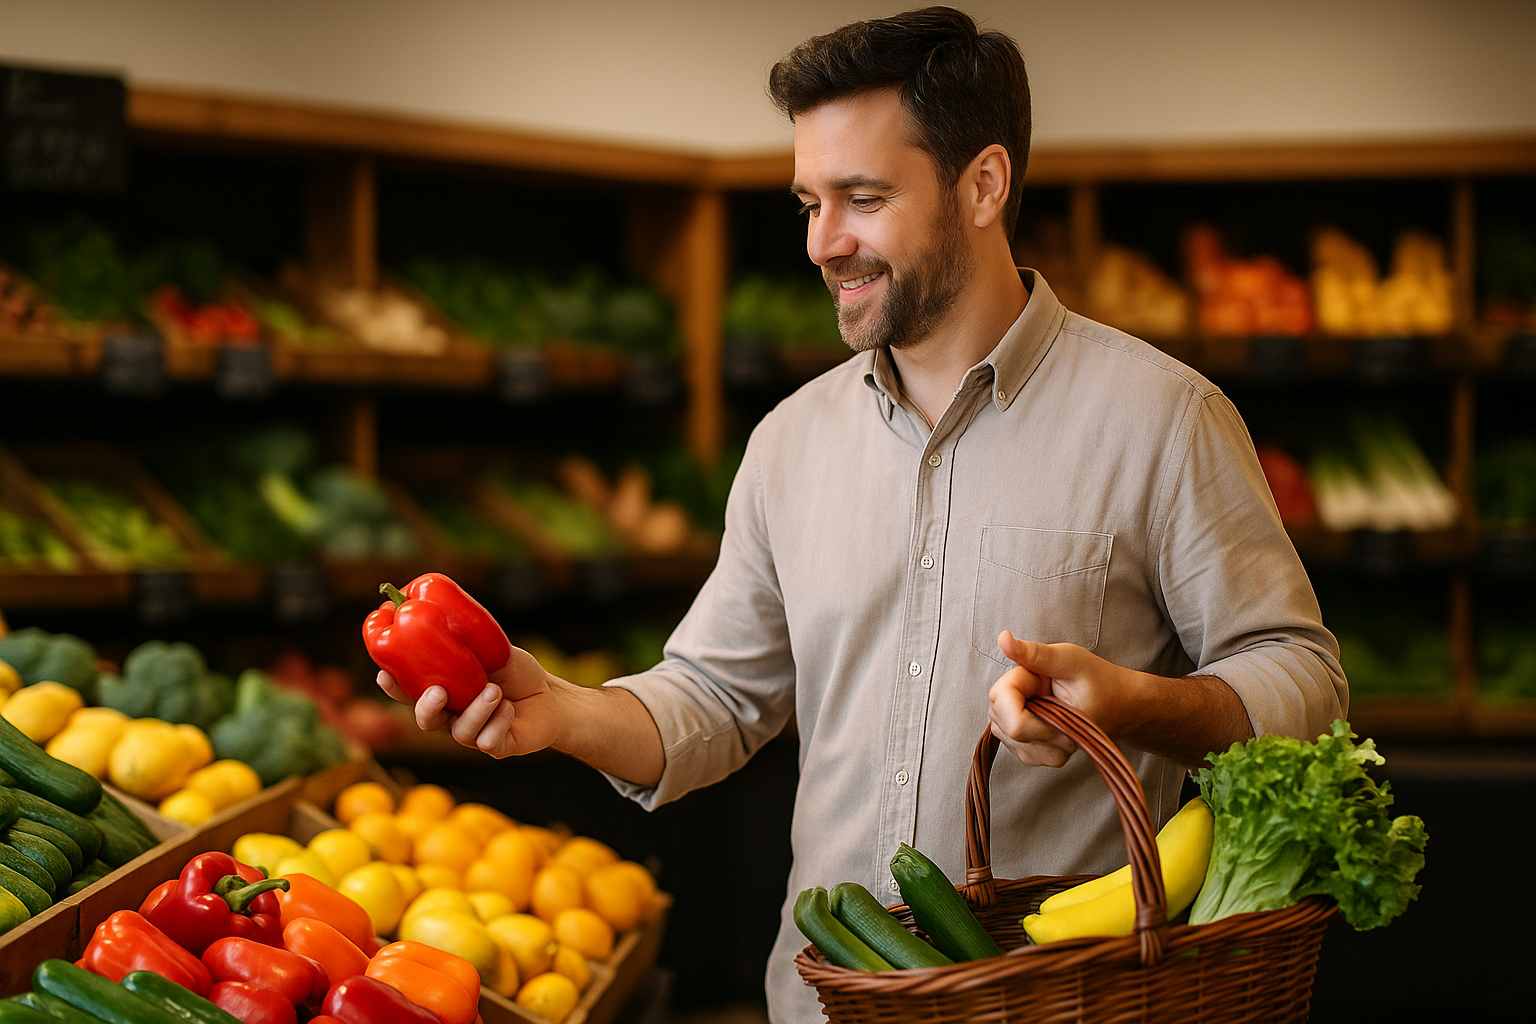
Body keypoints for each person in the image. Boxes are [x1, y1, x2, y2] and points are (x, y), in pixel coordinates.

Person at [375, 8, 1347, 1021]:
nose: (823, 242)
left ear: (984, 184)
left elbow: (1303, 677)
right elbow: (716, 695)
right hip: (819, 1001)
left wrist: (1135, 702)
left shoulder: (1163, 419)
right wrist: (558, 711)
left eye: (863, 198)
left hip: (1052, 1002)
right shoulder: (790, 443)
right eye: (808, 201)